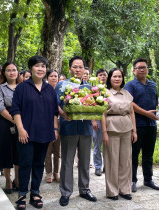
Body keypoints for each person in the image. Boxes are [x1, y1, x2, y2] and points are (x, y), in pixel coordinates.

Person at [10, 55, 58, 209]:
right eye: (37, 66)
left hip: (44, 133)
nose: (40, 69)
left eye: (43, 66)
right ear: (31, 68)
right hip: (26, 134)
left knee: (39, 164)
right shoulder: (22, 88)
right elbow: (16, 110)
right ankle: (22, 194)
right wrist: (21, 129)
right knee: (25, 164)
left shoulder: (49, 89)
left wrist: (55, 129)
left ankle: (35, 193)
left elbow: (54, 112)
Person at [55, 56, 97, 207]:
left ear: (85, 69)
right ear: (70, 69)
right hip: (69, 127)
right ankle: (66, 192)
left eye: (80, 67)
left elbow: (94, 105)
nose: (78, 70)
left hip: (86, 128)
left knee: (85, 160)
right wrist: (63, 114)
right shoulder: (61, 85)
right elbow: (56, 105)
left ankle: (84, 189)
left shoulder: (91, 87)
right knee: (67, 161)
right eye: (75, 67)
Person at [124, 58, 159, 192]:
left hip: (151, 125)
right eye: (139, 68)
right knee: (133, 154)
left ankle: (148, 179)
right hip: (137, 125)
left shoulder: (153, 84)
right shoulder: (130, 85)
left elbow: (156, 101)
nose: (142, 69)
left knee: (148, 154)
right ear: (134, 71)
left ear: (148, 69)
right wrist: (146, 113)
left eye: (144, 67)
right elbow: (130, 104)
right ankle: (132, 180)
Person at [101, 68, 137, 201]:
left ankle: (125, 189)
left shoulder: (127, 93)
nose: (117, 79)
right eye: (114, 76)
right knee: (112, 160)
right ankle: (112, 191)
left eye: (120, 76)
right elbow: (102, 114)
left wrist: (134, 131)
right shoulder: (105, 93)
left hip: (127, 128)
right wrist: (104, 132)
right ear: (110, 78)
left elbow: (132, 112)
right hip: (112, 128)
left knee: (126, 161)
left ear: (123, 78)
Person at [0, 62, 19, 194]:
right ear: (4, 72)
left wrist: (20, 122)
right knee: (6, 150)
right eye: (8, 70)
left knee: (19, 151)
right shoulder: (0, 88)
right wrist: (15, 120)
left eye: (14, 70)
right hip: (5, 121)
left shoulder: (23, 87)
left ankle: (18, 179)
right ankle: (8, 180)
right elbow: (0, 107)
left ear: (17, 72)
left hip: (22, 122)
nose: (11, 72)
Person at [44, 70, 61, 183]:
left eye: (56, 76)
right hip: (46, 122)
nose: (54, 78)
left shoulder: (61, 90)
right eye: (51, 76)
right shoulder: (43, 89)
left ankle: (56, 172)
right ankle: (48, 172)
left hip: (59, 122)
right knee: (48, 150)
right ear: (47, 77)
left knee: (57, 149)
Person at [92, 69, 108, 176]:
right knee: (97, 145)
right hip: (97, 120)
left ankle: (107, 165)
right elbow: (90, 105)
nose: (102, 77)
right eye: (100, 75)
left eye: (104, 75)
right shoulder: (93, 90)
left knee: (108, 145)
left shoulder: (110, 89)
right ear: (97, 77)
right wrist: (93, 120)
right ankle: (97, 166)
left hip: (109, 120)